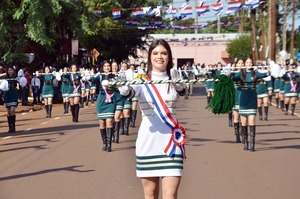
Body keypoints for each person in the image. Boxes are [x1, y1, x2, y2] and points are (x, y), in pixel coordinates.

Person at [129, 39, 187, 199]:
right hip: (148, 143)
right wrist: (125, 88)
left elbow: (182, 91)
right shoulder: (140, 79)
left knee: (170, 195)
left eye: (163, 53)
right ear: (149, 57)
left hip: (172, 143)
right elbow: (130, 93)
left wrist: (178, 83)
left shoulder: (175, 77)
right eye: (155, 53)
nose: (159, 57)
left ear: (169, 57)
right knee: (150, 195)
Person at [232, 57, 268, 152]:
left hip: (252, 99)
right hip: (243, 100)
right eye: (247, 62)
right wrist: (229, 74)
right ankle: (246, 143)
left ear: (252, 63)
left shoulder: (255, 73)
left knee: (251, 120)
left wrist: (270, 71)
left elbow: (264, 74)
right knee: (244, 122)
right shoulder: (241, 73)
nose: (248, 63)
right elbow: (234, 78)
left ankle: (252, 144)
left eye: (250, 62)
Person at [3, 66, 19, 133]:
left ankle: (13, 126)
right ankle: (10, 127)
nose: (10, 71)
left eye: (11, 70)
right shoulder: (5, 78)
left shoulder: (16, 78)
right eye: (9, 70)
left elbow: (18, 86)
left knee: (12, 110)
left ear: (13, 71)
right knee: (9, 112)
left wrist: (17, 88)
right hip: (7, 95)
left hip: (13, 94)